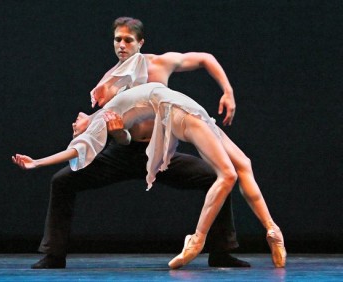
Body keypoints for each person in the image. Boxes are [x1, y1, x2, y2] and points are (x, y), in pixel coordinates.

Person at [18, 16, 250, 269]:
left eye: (128, 40)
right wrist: (92, 126)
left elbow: (206, 58)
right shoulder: (111, 81)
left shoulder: (161, 63)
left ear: (140, 42)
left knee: (217, 177)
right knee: (62, 181)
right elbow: (109, 131)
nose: (122, 45)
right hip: (122, 152)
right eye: (117, 39)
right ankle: (54, 254)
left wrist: (228, 92)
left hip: (159, 153)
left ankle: (222, 252)